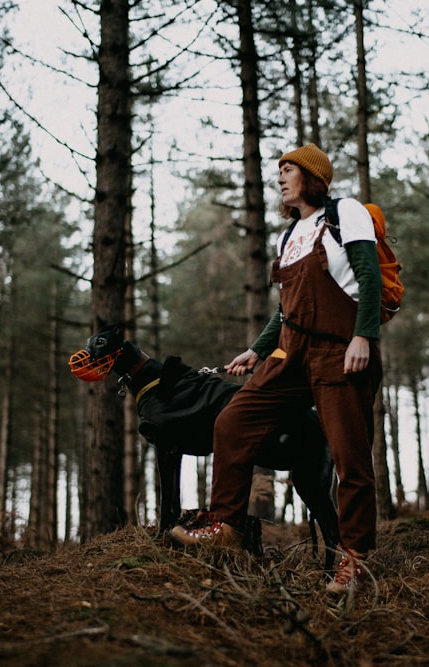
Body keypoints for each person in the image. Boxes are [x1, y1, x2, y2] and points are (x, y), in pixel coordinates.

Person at [170, 143, 383, 595]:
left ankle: (357, 561)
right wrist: (257, 350)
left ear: (312, 177)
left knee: (351, 457)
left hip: (340, 351)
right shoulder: (288, 236)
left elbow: (370, 278)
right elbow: (285, 311)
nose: (280, 178)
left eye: (289, 170)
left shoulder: (347, 213)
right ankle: (227, 528)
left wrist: (364, 337)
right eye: (279, 171)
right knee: (233, 421)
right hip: (290, 354)